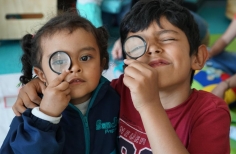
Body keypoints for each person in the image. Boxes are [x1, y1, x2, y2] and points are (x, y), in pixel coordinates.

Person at [11, 0, 231, 153]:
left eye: (167, 38)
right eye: (138, 43)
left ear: (199, 57)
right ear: (126, 59)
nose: (151, 49)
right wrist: (37, 84)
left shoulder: (210, 113)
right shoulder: (116, 92)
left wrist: (149, 104)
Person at [0, 11, 120, 154]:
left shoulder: (116, 98)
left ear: (102, 64)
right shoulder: (31, 110)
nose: (74, 67)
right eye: (59, 61)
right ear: (41, 75)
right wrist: (46, 117)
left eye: (85, 58)